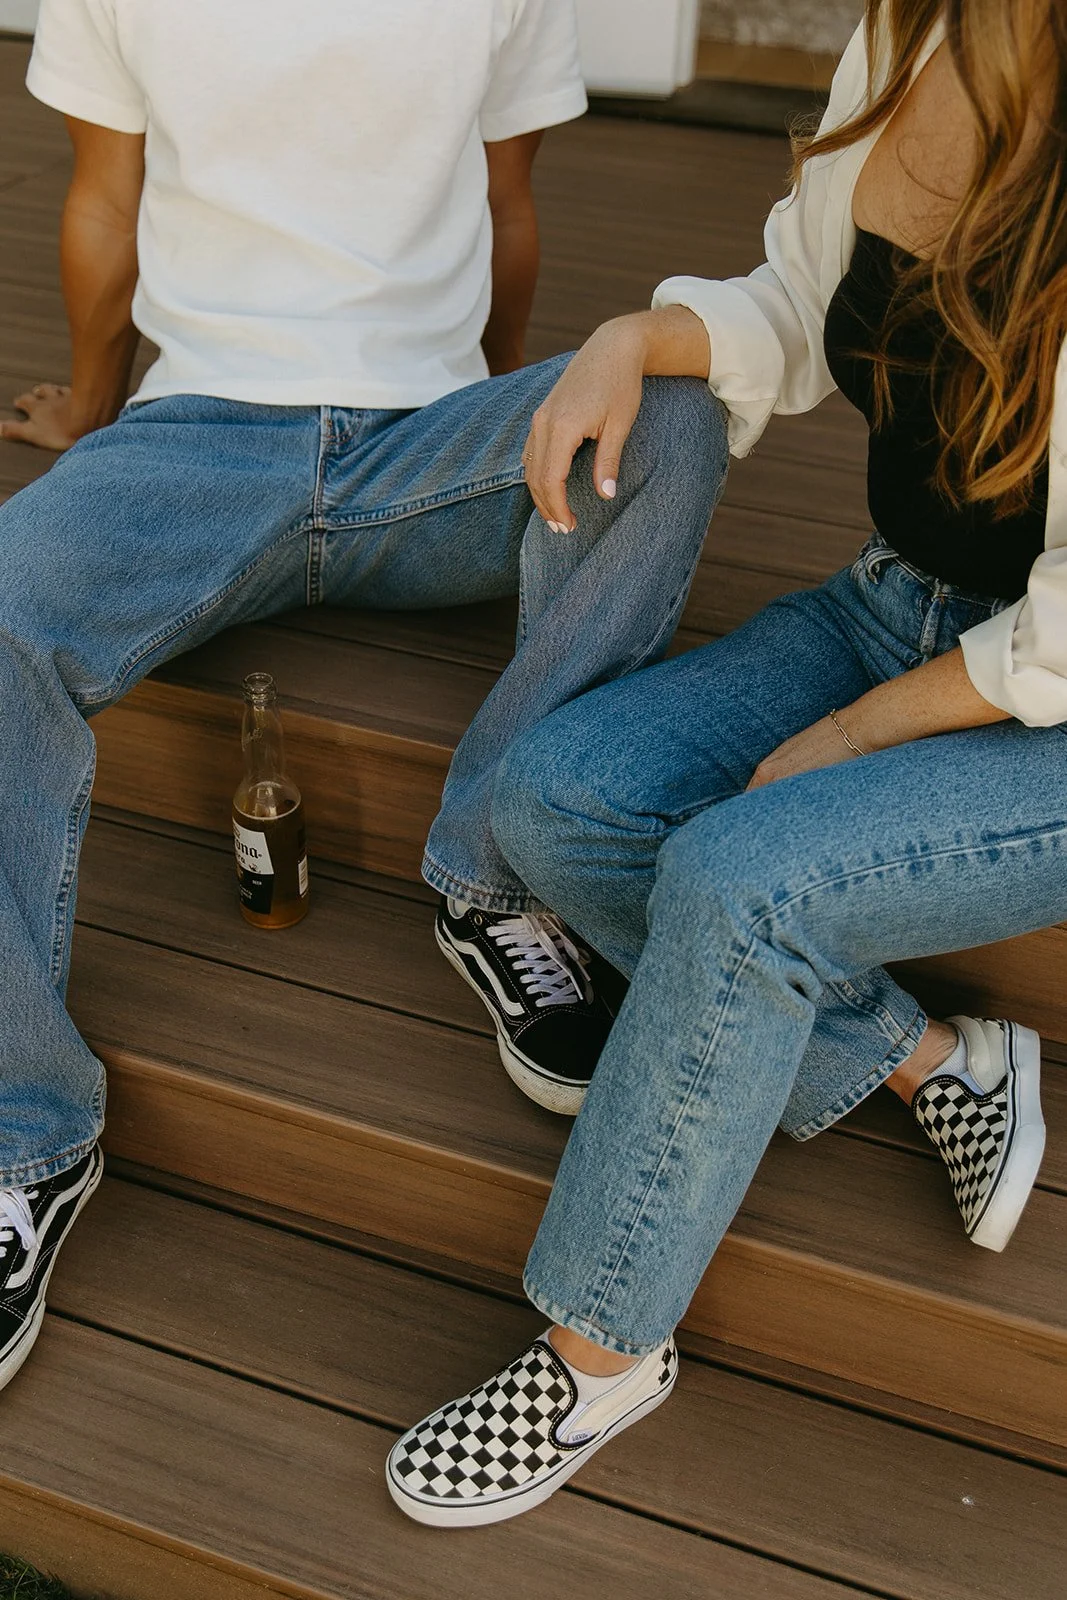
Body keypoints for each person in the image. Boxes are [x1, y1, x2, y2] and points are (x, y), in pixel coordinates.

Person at [386, 0, 1064, 1528]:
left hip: (1048, 693)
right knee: (555, 798)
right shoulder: (905, 45)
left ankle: (600, 1348)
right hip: (902, 604)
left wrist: (837, 739)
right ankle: (930, 1062)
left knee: (737, 883)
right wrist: (638, 333)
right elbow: (795, 306)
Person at [0, 1, 729, 1396]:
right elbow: (106, 194)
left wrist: (510, 406)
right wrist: (96, 412)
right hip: (198, 435)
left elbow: (507, 206)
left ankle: (493, 879)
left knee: (680, 414)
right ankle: (21, 1139)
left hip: (428, 444)